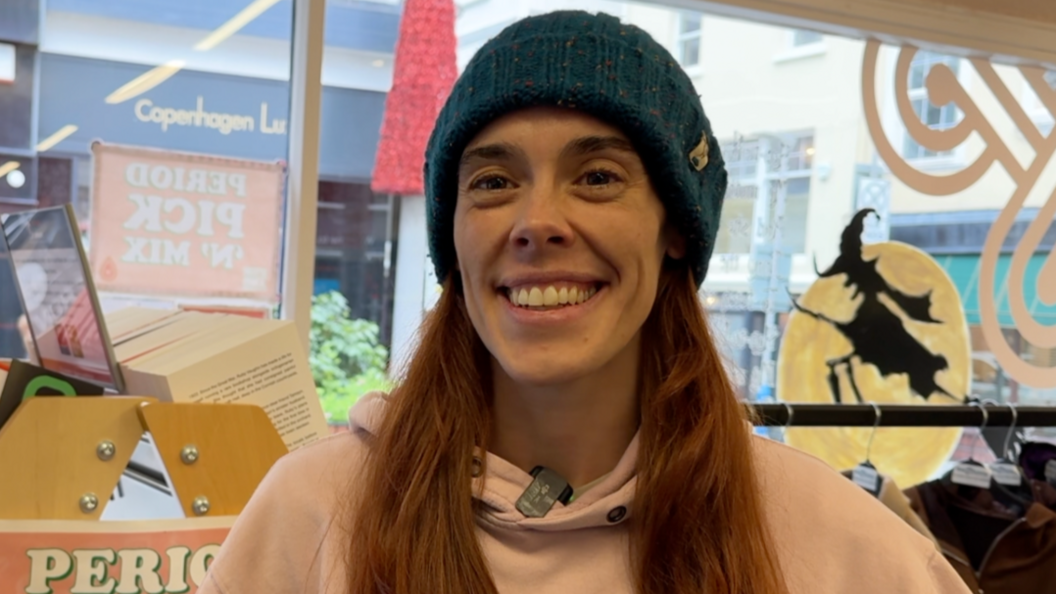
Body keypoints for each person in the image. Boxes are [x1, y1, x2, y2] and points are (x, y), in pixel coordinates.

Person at [198, 11, 970, 594]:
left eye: (598, 176)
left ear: (673, 226)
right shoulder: (313, 513)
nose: (537, 224)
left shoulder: (839, 548)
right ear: (453, 239)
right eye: (493, 182)